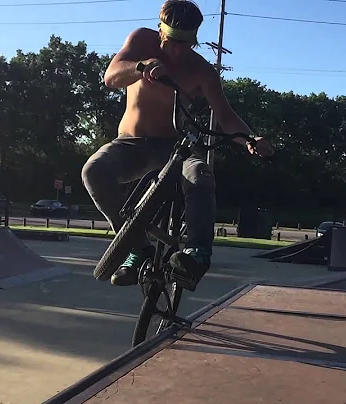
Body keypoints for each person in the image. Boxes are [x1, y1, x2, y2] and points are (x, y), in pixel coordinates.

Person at [81, 0, 274, 291]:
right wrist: (141, 66)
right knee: (93, 171)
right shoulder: (142, 41)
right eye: (171, 43)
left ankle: (197, 255)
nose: (176, 52)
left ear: (194, 41)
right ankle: (137, 248)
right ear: (161, 32)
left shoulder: (203, 71)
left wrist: (250, 139)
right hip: (130, 144)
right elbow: (111, 77)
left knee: (200, 176)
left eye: (185, 45)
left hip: (175, 147)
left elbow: (225, 115)